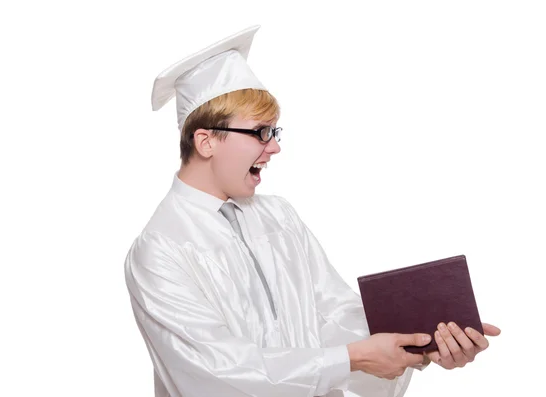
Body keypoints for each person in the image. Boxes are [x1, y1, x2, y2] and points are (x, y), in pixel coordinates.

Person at [123, 25, 501, 397]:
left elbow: (334, 315)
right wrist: (350, 359)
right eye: (260, 132)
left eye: (275, 132)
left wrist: (419, 343)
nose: (274, 148)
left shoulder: (278, 218)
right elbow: (214, 371)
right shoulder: (160, 248)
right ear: (206, 141)